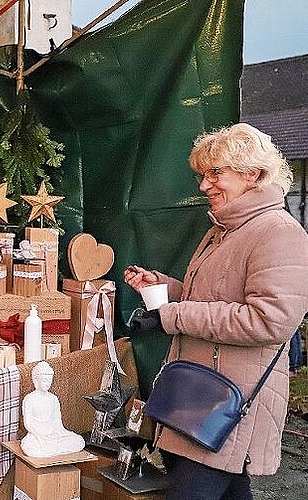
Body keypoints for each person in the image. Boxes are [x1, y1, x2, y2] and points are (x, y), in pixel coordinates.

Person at [124, 123, 308, 500]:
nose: (204, 186)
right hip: (197, 400)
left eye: (216, 174)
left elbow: (267, 320)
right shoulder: (222, 230)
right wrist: (163, 287)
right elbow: (208, 298)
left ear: (252, 174)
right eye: (202, 176)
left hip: (228, 406)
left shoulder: (279, 232)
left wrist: (174, 314)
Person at [20, 361, 85, 458]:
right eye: (44, 381)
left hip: (54, 433)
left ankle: (51, 448)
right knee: (30, 446)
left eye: (50, 381)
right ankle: (47, 447)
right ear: (36, 380)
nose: (48, 384)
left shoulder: (53, 398)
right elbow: (28, 424)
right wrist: (40, 435)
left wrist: (58, 432)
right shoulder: (29, 399)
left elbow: (58, 422)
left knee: (79, 441)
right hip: (38, 434)